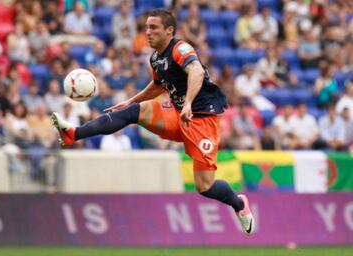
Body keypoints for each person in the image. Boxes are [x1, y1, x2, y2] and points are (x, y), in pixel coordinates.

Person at [51, 9, 254, 234]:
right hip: (177, 114)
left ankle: (239, 204)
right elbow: (158, 85)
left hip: (201, 120)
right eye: (147, 27)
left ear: (170, 30)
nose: (148, 32)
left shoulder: (181, 48)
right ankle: (73, 134)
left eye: (154, 28)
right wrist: (131, 99)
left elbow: (195, 71)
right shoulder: (156, 57)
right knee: (134, 112)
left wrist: (188, 103)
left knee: (204, 186)